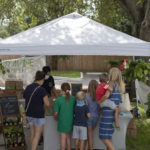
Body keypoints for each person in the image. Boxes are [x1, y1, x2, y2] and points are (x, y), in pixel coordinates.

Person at [98, 67, 125, 150]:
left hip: (107, 114)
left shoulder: (110, 84)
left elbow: (106, 96)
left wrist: (99, 101)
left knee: (103, 136)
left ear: (111, 75)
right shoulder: (119, 86)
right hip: (113, 115)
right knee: (108, 136)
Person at [23, 71, 50, 150]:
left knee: (32, 134)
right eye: (43, 80)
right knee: (37, 135)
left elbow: (25, 96)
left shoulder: (28, 87)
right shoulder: (42, 90)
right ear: (41, 79)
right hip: (38, 115)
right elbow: (47, 104)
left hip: (29, 113)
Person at [53, 83, 76, 150]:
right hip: (71, 121)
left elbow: (55, 113)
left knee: (63, 138)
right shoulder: (73, 99)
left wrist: (55, 117)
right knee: (68, 137)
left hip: (62, 121)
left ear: (61, 90)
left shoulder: (58, 100)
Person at [85, 80, 99, 150]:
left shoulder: (86, 96)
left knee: (89, 135)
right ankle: (86, 148)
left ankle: (91, 148)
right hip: (96, 117)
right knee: (90, 134)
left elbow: (85, 107)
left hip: (89, 117)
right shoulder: (99, 96)